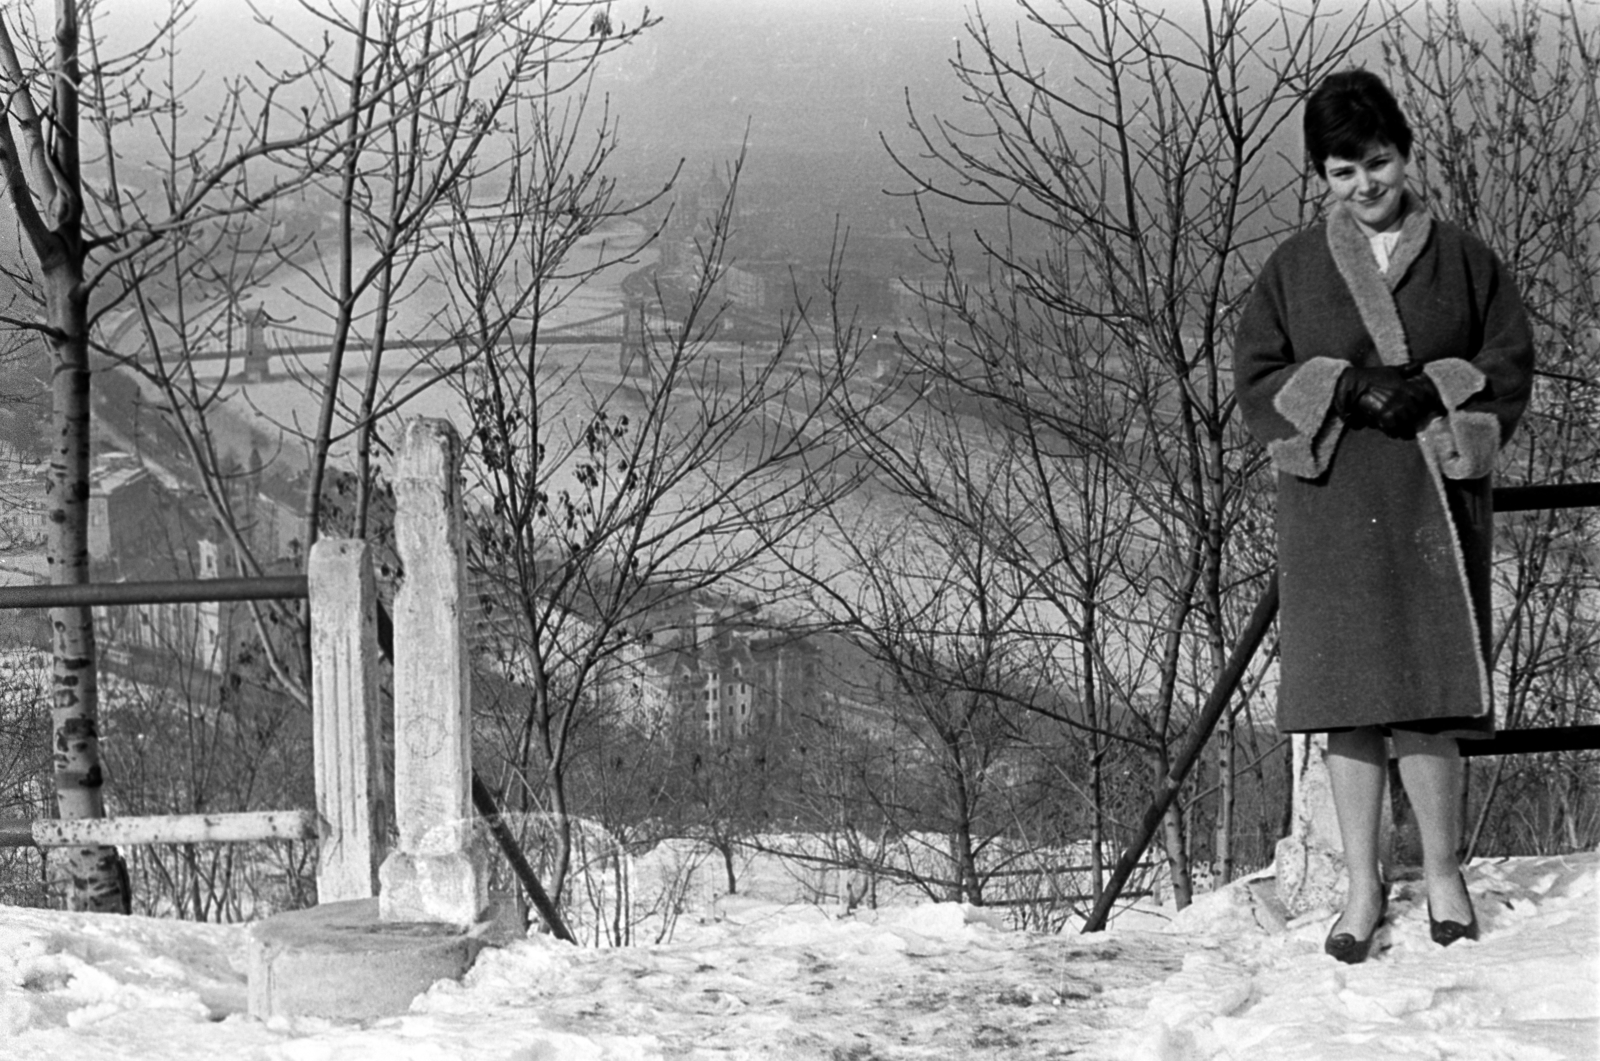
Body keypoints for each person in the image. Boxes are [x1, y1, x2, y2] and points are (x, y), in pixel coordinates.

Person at [1233, 69, 1534, 964]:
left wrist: (1437, 392)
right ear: (1320, 177)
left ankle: (1443, 871)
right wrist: (1345, 387)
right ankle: (1363, 888)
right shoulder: (1292, 267)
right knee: (1350, 703)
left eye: (1377, 162)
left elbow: (1508, 360)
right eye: (1341, 171)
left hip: (1429, 500)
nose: (1364, 185)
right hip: (1333, 503)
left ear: (1404, 153)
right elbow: (1255, 376)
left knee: (1430, 694)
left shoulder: (1468, 258)